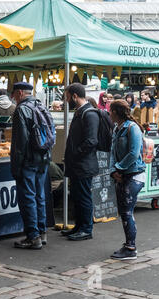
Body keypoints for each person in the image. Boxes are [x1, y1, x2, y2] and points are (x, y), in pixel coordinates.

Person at [11, 82, 51, 249]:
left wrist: (16, 166)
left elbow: (21, 142)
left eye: (13, 94)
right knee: (39, 196)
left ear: (20, 93)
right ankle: (42, 232)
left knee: (27, 198)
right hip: (43, 158)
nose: (13, 98)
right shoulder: (41, 106)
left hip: (28, 160)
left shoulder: (21, 110)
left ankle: (32, 236)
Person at [109, 99, 146, 260]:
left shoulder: (132, 128)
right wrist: (113, 170)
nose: (109, 114)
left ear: (116, 112)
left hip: (134, 174)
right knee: (124, 211)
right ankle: (129, 245)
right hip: (122, 174)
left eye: (110, 111)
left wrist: (118, 168)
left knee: (126, 211)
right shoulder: (117, 129)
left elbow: (134, 153)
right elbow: (112, 152)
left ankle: (131, 247)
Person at [63, 83, 99, 241]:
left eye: (67, 96)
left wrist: (76, 154)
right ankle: (79, 226)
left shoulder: (89, 113)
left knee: (84, 196)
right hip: (77, 164)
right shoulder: (80, 112)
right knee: (77, 196)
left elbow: (91, 141)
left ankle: (86, 229)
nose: (66, 100)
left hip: (83, 164)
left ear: (75, 96)